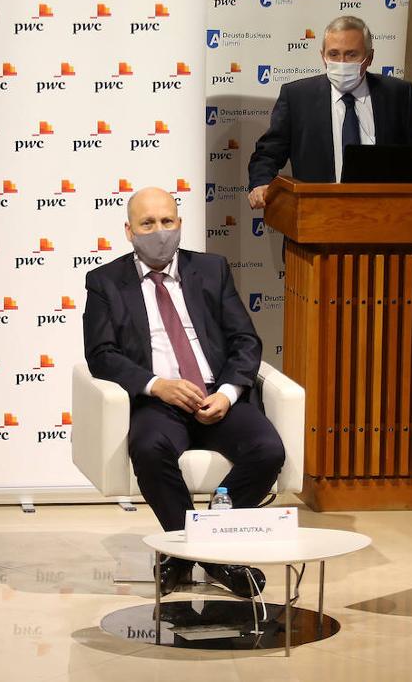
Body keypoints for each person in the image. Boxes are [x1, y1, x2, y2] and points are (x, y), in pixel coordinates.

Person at [83, 187, 287, 597]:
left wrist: (227, 392)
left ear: (179, 224)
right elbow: (101, 354)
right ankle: (206, 553)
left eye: (167, 221)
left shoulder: (211, 269)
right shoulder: (105, 282)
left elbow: (245, 339)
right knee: (148, 449)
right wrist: (157, 385)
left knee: (268, 450)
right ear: (129, 231)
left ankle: (195, 545)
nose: (159, 231)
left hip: (216, 393)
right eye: (147, 224)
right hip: (158, 400)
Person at [246, 14, 412, 209]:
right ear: (322, 56)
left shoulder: (397, 94)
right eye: (333, 54)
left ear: (369, 57)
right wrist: (261, 183)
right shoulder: (297, 96)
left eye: (351, 54)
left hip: (385, 216)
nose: (341, 62)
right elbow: (268, 153)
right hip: (316, 216)